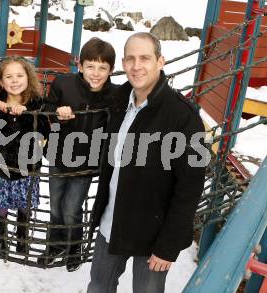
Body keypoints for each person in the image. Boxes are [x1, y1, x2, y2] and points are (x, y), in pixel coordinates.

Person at [87, 32, 206, 293]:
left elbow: (190, 188)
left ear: (160, 61)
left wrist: (168, 245)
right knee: (98, 287)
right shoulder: (119, 101)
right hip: (112, 223)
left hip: (154, 234)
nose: (136, 66)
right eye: (130, 59)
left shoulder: (183, 116)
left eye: (144, 58)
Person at [39, 37, 119, 272]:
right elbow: (45, 107)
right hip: (58, 155)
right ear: (80, 65)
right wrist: (56, 111)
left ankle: (73, 248)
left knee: (72, 208)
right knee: (55, 205)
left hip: (86, 161)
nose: (96, 73)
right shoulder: (64, 83)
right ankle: (55, 245)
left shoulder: (115, 94)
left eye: (102, 68)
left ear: (110, 70)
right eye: (91, 66)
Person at [0, 56, 50, 255]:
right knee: (1, 204)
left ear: (28, 78)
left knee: (25, 206)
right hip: (3, 164)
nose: (15, 80)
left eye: (20, 75)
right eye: (8, 76)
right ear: (1, 82)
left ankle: (22, 239)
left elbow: (44, 130)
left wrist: (27, 114)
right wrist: (3, 112)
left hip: (28, 165)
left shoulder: (37, 104)